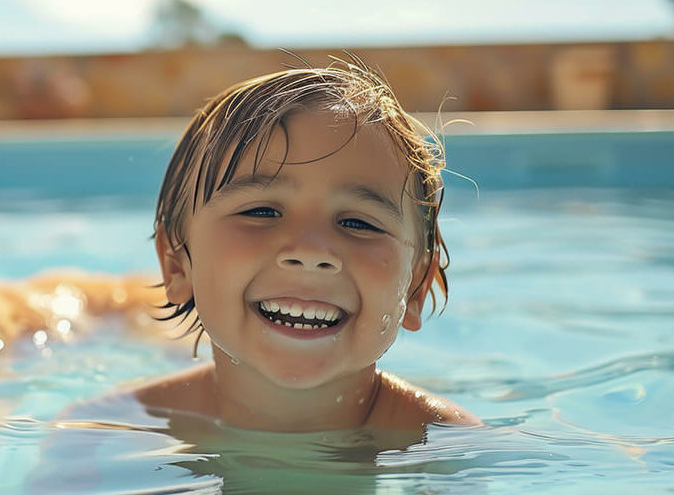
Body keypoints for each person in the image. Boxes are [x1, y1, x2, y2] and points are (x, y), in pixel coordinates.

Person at [136, 61, 481, 433]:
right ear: (177, 267)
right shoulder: (123, 430)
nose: (312, 252)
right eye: (263, 212)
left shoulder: (443, 444)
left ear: (415, 288)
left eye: (358, 223)